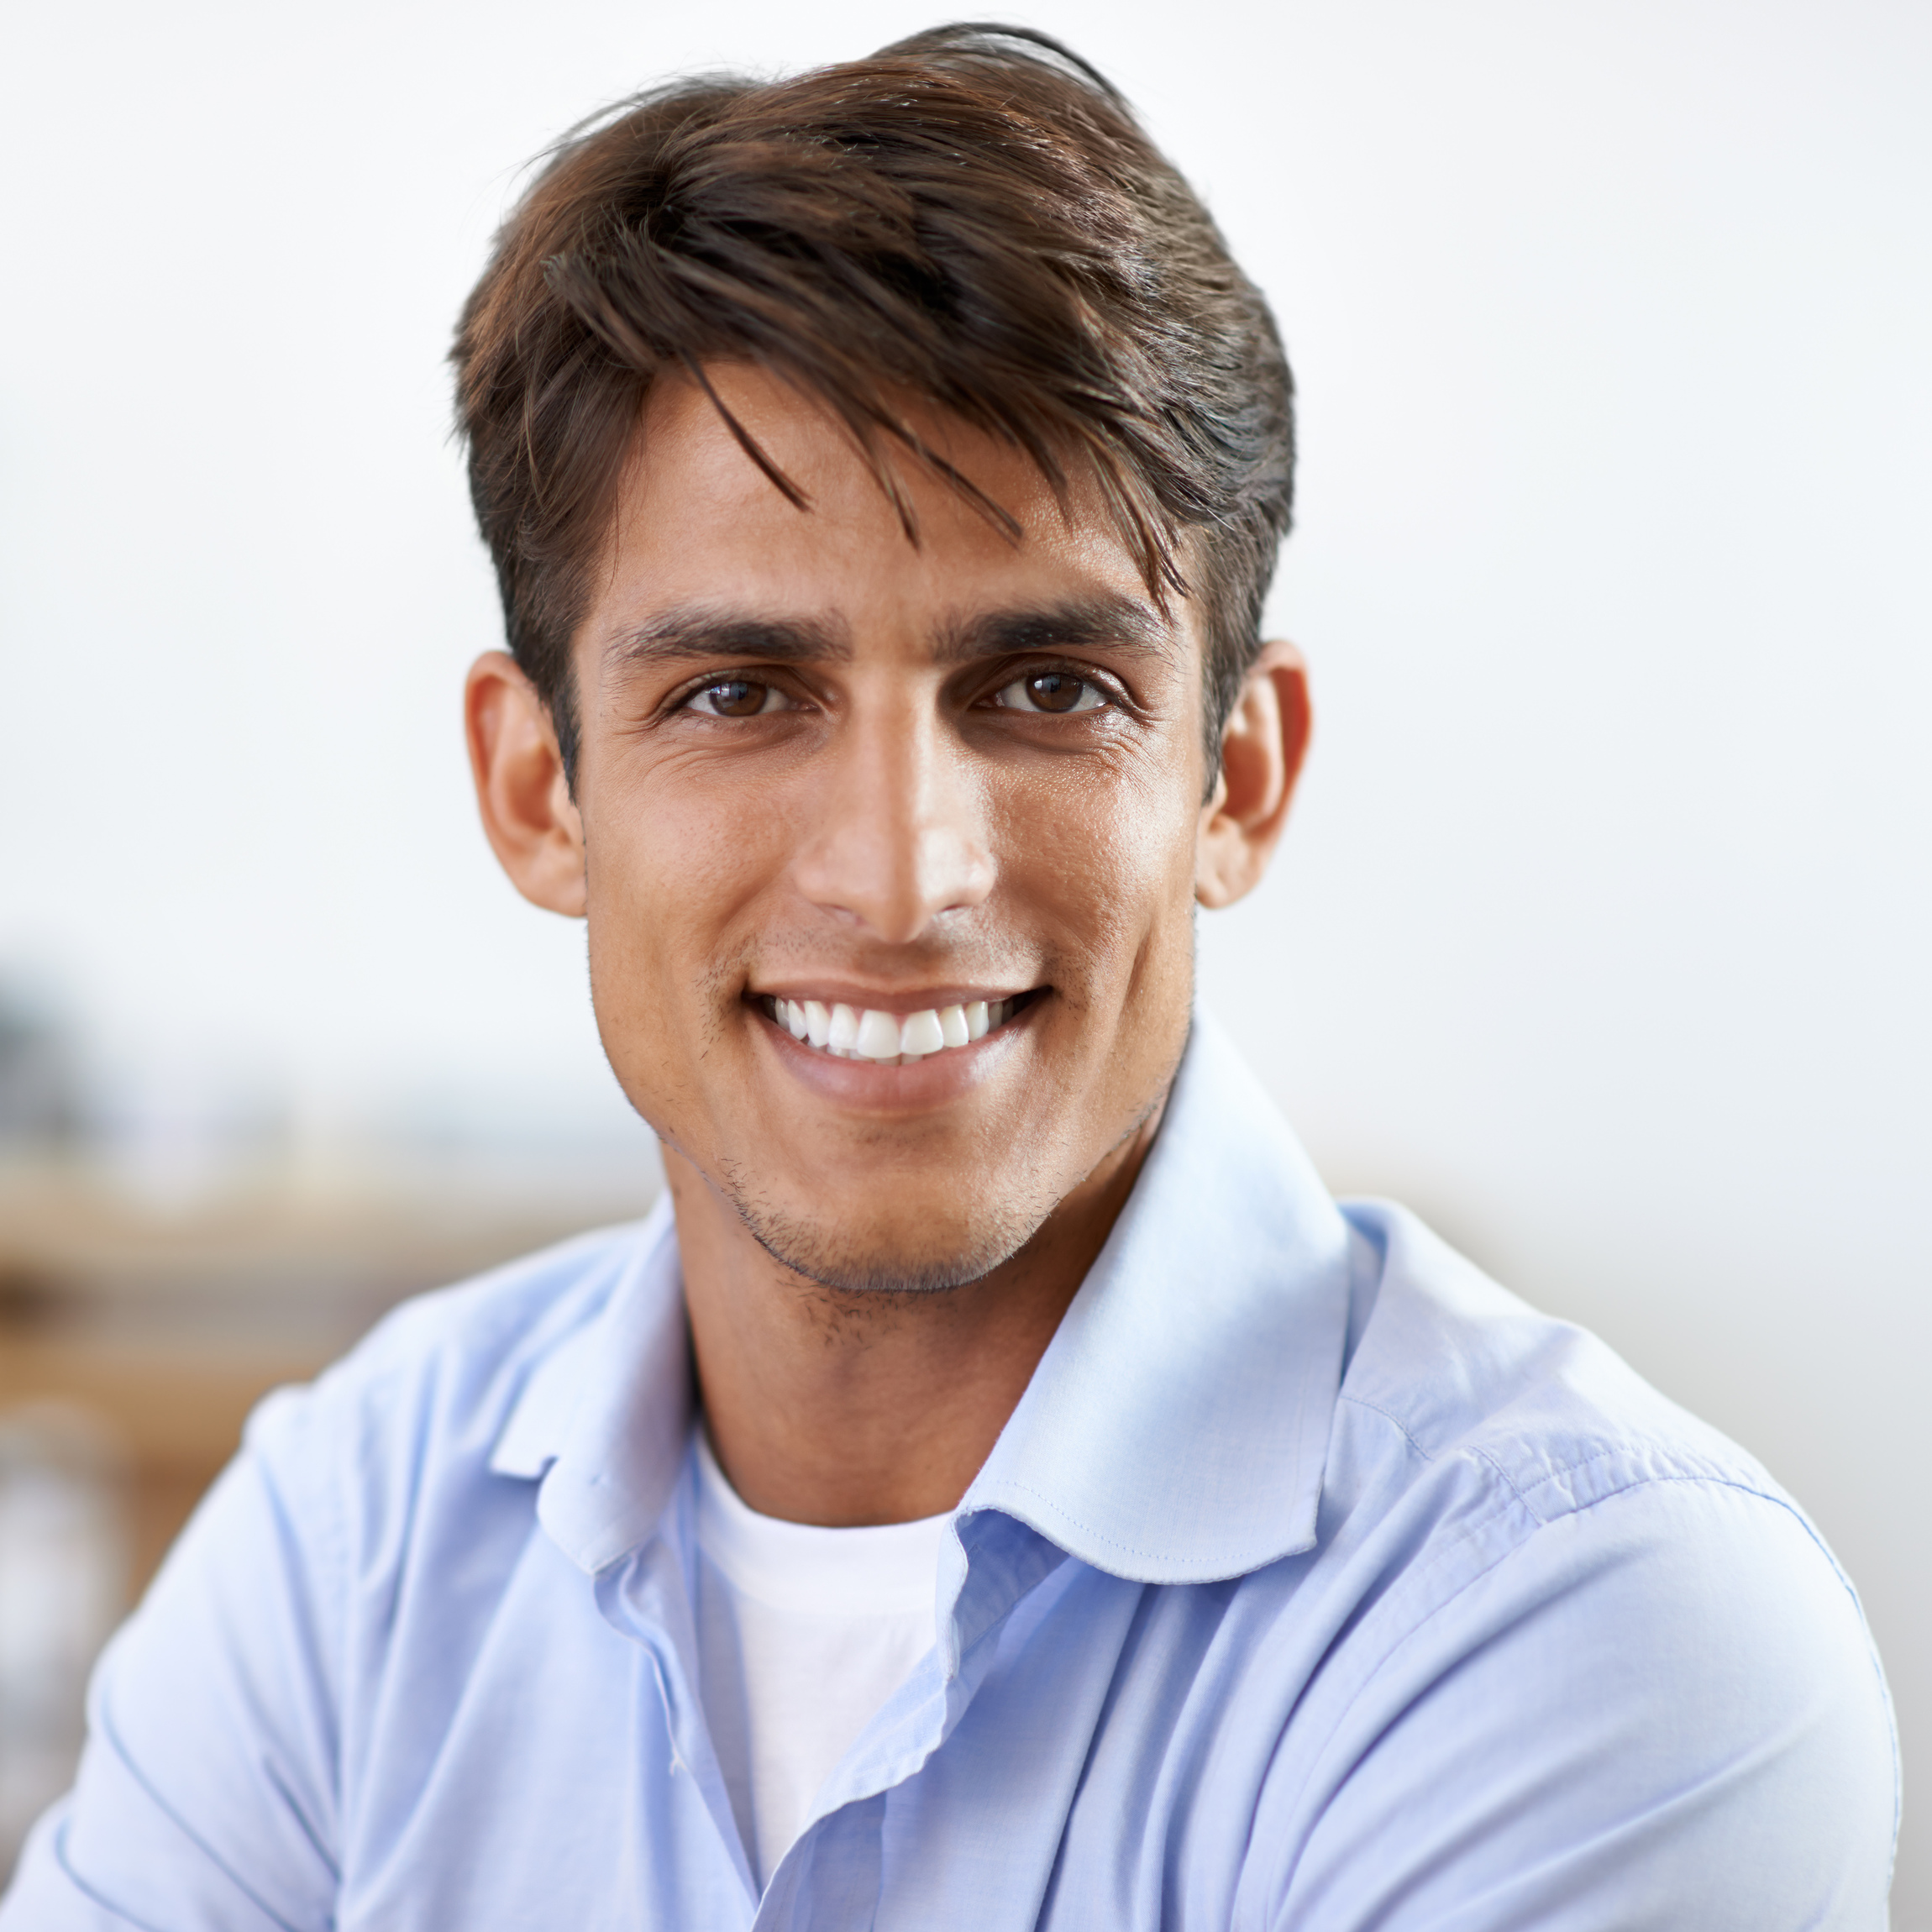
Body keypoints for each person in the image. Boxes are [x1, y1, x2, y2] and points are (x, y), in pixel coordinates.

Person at [3, 24, 1897, 1929]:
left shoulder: (1591, 1626)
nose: (901, 877)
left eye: (1047, 689)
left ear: (1234, 777)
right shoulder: (350, 1541)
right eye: (738, 694)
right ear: (537, 789)